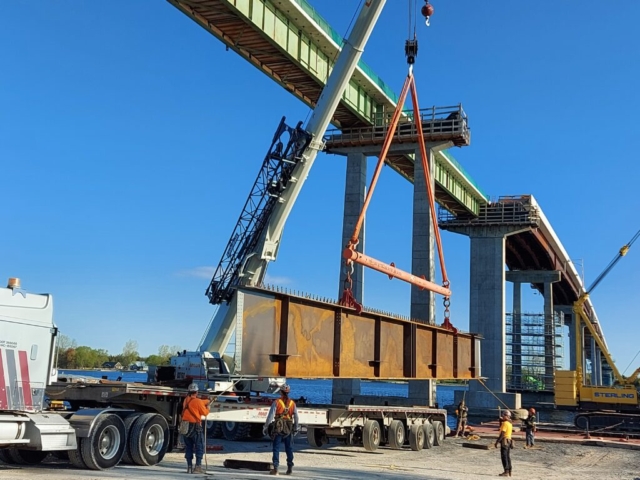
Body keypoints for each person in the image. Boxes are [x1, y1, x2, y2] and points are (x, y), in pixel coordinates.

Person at [263, 384, 299, 476]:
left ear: (280, 392)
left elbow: (270, 416)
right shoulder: (292, 403)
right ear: (288, 392)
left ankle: (276, 469)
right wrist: (295, 428)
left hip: (278, 427)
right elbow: (296, 417)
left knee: (276, 448)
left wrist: (266, 427)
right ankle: (290, 468)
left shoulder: (277, 402)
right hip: (288, 427)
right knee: (289, 448)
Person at [181, 383, 210, 474]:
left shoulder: (186, 400)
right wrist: (208, 407)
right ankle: (198, 467)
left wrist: (207, 401)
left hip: (185, 426)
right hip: (195, 427)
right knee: (199, 446)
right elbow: (204, 413)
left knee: (188, 447)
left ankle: (189, 467)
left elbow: (198, 402)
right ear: (196, 392)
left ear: (189, 392)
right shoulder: (198, 402)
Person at [495, 410, 513, 477]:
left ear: (506, 416)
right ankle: (510, 470)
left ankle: (506, 471)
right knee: (508, 456)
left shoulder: (505, 423)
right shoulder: (510, 423)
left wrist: (497, 442)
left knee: (504, 456)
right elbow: (502, 428)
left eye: (503, 415)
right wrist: (500, 422)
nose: (502, 416)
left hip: (504, 441)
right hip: (509, 441)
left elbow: (502, 434)